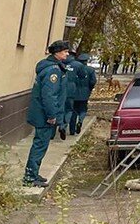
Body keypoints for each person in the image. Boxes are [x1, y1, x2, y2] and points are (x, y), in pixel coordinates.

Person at [23, 41, 69, 187]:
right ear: (57, 52)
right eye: (65, 51)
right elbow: (49, 95)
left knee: (40, 144)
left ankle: (34, 173)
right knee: (40, 145)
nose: (67, 54)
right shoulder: (53, 70)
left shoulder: (49, 66)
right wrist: (52, 116)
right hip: (44, 115)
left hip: (42, 113)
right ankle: (30, 177)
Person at [69, 53, 97, 135]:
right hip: (85, 93)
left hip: (73, 93)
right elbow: (93, 81)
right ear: (86, 61)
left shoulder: (74, 69)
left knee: (73, 111)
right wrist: (89, 89)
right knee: (83, 109)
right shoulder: (90, 70)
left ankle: (71, 130)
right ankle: (80, 121)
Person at [63, 50, 79, 135]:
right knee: (69, 109)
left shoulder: (61, 63)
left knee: (60, 108)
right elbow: (82, 76)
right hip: (71, 90)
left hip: (61, 89)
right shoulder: (77, 65)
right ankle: (64, 126)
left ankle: (54, 132)